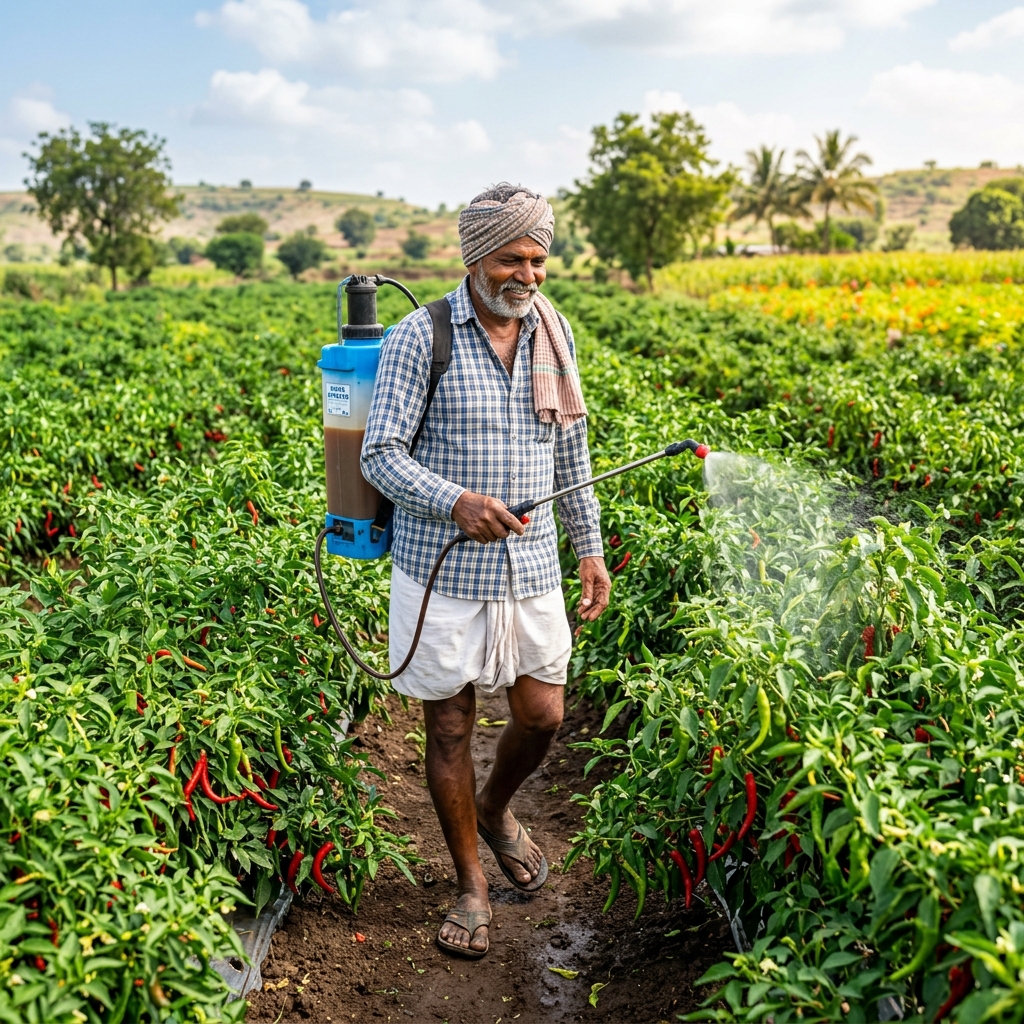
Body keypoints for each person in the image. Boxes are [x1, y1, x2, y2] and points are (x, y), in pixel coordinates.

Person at [361, 183, 609, 958]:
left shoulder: (552, 330)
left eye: (539, 260)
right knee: (450, 724)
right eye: (512, 258)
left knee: (543, 714)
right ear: (474, 258)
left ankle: (498, 808)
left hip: (530, 566)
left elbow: (572, 448)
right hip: (442, 568)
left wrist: (589, 546)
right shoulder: (419, 336)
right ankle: (469, 884)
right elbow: (380, 455)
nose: (528, 276)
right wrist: (456, 501)